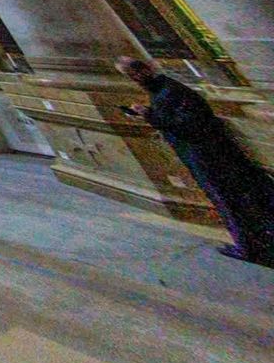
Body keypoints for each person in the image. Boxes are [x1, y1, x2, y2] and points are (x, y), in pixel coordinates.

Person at [116, 56, 274, 267]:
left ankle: (250, 248)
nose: (134, 79)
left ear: (144, 69)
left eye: (133, 73)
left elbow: (190, 124)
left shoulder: (169, 90)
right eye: (129, 75)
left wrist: (150, 116)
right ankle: (252, 245)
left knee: (228, 199)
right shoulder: (162, 91)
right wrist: (149, 114)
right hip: (204, 153)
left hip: (207, 155)